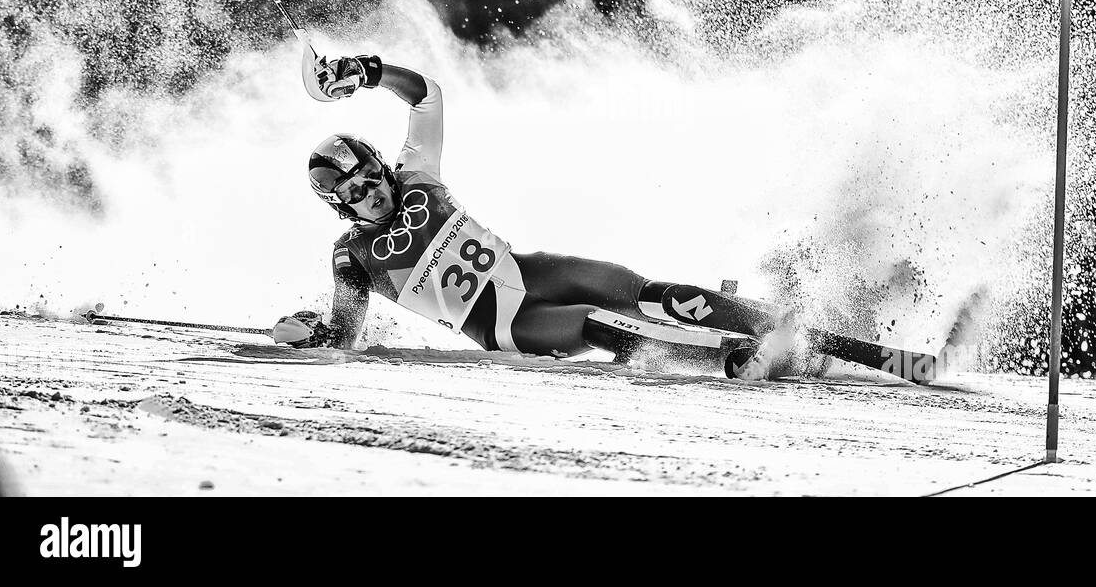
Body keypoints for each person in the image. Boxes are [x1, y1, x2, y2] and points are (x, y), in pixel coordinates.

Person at [273, 53, 791, 378]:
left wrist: (367, 72)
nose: (371, 193)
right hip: (509, 323)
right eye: (356, 194)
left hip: (529, 269)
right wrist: (310, 333)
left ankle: (768, 320)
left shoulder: (416, 176)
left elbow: (427, 97)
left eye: (370, 177)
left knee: (645, 290)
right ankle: (730, 355)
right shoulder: (352, 256)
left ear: (382, 166)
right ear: (341, 207)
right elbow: (346, 334)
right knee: (598, 324)